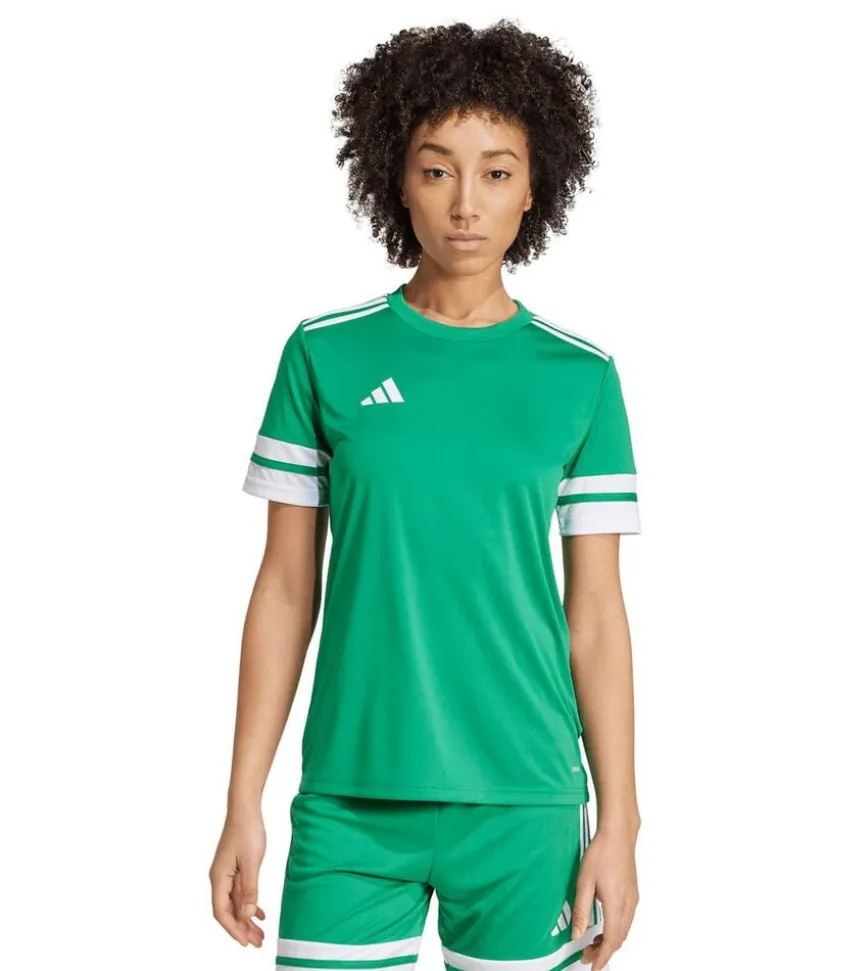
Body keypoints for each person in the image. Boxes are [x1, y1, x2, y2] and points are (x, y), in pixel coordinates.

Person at [209, 19, 642, 971]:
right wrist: (243, 797)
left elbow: (597, 614)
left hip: (526, 799)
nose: (466, 203)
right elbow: (285, 587)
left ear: (535, 187)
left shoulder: (580, 378)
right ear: (396, 179)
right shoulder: (324, 355)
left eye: (497, 171)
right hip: (351, 800)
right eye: (437, 169)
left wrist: (621, 822)